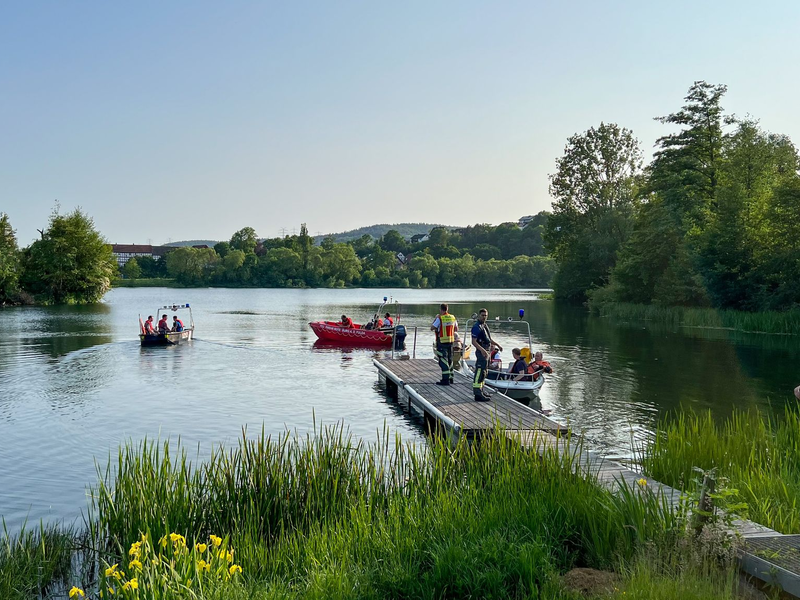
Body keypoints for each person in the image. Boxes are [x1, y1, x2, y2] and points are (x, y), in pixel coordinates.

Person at [471, 308, 502, 401]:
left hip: (487, 351)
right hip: (482, 352)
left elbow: (489, 339)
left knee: (484, 372)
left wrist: (497, 345)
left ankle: (481, 390)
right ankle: (477, 393)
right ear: (479, 315)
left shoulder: (484, 325)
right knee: (479, 372)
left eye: (485, 315)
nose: (484, 317)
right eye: (482, 315)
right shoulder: (476, 327)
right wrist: (482, 350)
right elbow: (474, 341)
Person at [431, 303, 458, 385]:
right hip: (451, 341)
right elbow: (456, 329)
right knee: (450, 359)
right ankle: (451, 378)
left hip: (442, 341)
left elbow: (432, 328)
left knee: (442, 360)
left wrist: (435, 319)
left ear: (441, 309)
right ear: (447, 309)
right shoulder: (452, 317)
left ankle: (445, 380)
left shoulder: (440, 318)